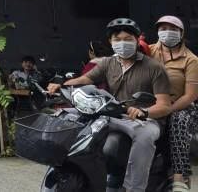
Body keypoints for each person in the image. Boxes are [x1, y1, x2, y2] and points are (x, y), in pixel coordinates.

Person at [48, 18, 171, 192]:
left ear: (137, 40)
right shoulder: (108, 63)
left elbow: (164, 105)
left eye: (128, 39)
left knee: (145, 136)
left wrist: (144, 111)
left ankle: (134, 188)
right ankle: (75, 171)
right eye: (117, 39)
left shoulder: (154, 67)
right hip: (114, 113)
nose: (122, 43)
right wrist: (62, 85)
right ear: (111, 42)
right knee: (67, 116)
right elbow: (86, 79)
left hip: (144, 119)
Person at [148, 16, 198, 191]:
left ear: (181, 33)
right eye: (163, 29)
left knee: (178, 119)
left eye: (173, 29)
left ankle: (180, 176)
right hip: (151, 104)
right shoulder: (148, 51)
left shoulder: (191, 59)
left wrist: (167, 109)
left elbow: (190, 95)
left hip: (181, 107)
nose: (167, 32)